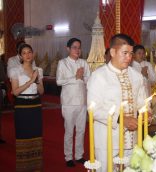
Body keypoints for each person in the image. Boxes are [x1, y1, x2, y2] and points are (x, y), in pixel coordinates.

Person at [87, 34, 147, 172]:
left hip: (133, 140)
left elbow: (142, 102)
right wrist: (121, 119)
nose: (129, 57)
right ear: (113, 52)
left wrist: (146, 112)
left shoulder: (136, 76)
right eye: (124, 53)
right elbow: (93, 110)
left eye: (131, 53)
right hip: (108, 141)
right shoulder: (99, 76)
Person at [9, 43, 44, 171]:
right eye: (24, 53)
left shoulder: (38, 70)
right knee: (23, 135)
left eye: (29, 52)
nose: (27, 55)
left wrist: (37, 80)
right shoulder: (15, 70)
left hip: (35, 106)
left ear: (33, 54)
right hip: (22, 106)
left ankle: (36, 167)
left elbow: (41, 91)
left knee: (36, 135)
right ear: (20, 56)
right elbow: (15, 92)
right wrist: (30, 81)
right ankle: (24, 167)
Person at [56, 38, 91, 167]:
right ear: (68, 49)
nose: (78, 50)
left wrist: (83, 77)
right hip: (69, 102)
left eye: (79, 47)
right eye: (75, 47)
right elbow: (59, 81)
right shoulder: (63, 63)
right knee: (69, 130)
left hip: (82, 101)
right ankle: (68, 157)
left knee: (81, 130)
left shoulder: (84, 62)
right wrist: (75, 77)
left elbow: (89, 80)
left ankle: (79, 155)